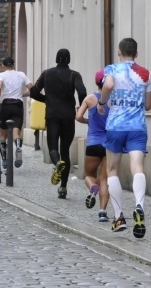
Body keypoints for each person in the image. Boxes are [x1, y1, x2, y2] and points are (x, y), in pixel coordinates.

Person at [98, 37, 151, 238]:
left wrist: (102, 102)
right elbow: (148, 105)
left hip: (115, 126)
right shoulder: (145, 73)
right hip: (137, 126)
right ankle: (139, 205)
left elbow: (109, 84)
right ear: (136, 54)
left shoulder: (111, 69)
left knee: (112, 170)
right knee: (137, 167)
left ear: (119, 52)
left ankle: (119, 217)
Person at [30, 48, 87, 199]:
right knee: (65, 151)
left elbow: (33, 92)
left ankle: (56, 164)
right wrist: (81, 106)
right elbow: (82, 91)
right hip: (68, 116)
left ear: (56, 58)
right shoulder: (74, 75)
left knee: (53, 148)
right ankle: (63, 187)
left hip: (52, 115)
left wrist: (47, 99)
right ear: (69, 59)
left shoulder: (46, 73)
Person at [75, 69, 110, 222]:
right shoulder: (113, 100)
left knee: (89, 175)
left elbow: (78, 116)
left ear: (96, 82)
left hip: (93, 143)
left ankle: (92, 187)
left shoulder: (90, 99)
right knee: (105, 180)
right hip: (109, 144)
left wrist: (88, 121)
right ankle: (102, 212)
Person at [0, 57, 32, 170]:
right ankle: (18, 146)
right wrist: (22, 94)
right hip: (18, 105)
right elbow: (32, 89)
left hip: (6, 105)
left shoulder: (1, 75)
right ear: (14, 65)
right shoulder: (21, 75)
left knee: (2, 135)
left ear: (3, 66)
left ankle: (4, 160)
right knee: (16, 132)